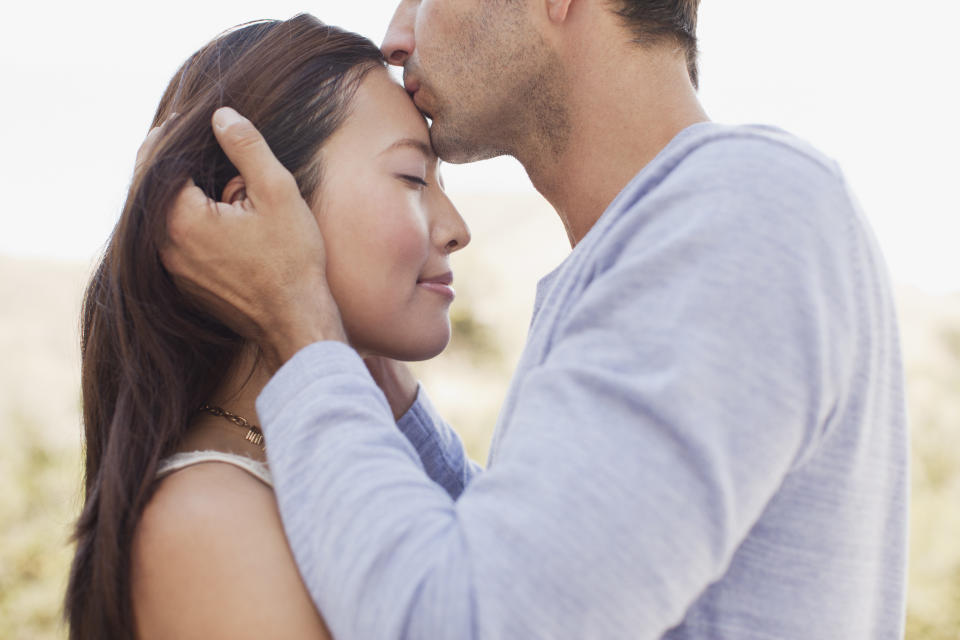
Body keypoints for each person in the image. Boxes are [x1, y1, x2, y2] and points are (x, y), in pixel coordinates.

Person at [160, 1, 909, 638]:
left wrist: (305, 333)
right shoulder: (670, 239)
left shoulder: (734, 212)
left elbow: (475, 619)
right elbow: (534, 561)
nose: (395, 34)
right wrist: (371, 376)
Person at [64, 14, 471, 640]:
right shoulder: (209, 522)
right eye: (413, 179)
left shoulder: (302, 470)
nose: (456, 228)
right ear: (246, 207)